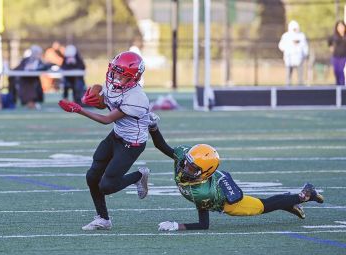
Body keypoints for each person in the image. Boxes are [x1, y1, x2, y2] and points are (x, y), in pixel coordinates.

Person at [147, 115, 324, 231]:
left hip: (229, 203)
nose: (185, 167)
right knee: (268, 203)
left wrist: (177, 226)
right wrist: (153, 127)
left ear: (204, 173)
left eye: (192, 168)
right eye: (187, 163)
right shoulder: (185, 158)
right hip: (216, 183)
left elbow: (204, 224)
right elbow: (161, 146)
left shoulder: (202, 193)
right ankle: (288, 201)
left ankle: (306, 194)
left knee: (264, 206)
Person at [58, 51, 150, 230]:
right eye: (115, 71)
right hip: (117, 135)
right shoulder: (113, 84)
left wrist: (79, 109)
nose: (115, 76)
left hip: (132, 143)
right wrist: (92, 100)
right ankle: (103, 218)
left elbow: (107, 119)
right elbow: (105, 104)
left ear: (133, 78)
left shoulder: (137, 98)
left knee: (107, 186)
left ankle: (139, 176)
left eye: (121, 74)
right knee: (92, 176)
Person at [13, 45, 49, 109]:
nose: (38, 55)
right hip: (24, 79)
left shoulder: (40, 61)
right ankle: (28, 102)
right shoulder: (26, 60)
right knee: (24, 84)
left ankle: (32, 102)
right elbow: (18, 68)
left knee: (31, 85)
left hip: (34, 79)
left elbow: (44, 67)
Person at [278, 20, 309, 86]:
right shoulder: (286, 36)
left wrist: (305, 54)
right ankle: (287, 88)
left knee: (300, 76)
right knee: (288, 75)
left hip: (299, 59)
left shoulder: (301, 36)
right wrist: (288, 48)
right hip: (289, 59)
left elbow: (305, 46)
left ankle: (301, 89)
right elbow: (281, 46)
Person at [328, 20, 346, 85]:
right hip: (335, 56)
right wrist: (330, 47)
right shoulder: (335, 36)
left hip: (344, 56)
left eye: (342, 26)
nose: (341, 28)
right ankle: (338, 86)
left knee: (341, 71)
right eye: (339, 27)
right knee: (336, 72)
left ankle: (342, 87)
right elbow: (329, 40)